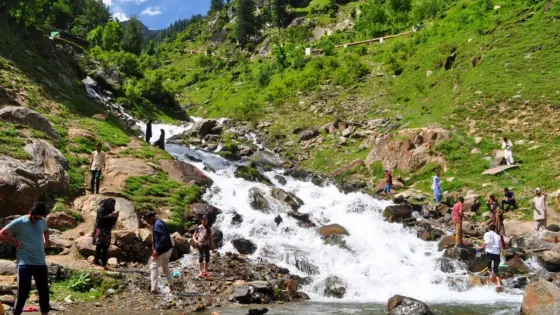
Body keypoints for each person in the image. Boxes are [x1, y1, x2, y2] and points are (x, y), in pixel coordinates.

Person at [0, 202, 50, 315]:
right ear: (30, 213)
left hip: (40, 262)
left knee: (44, 292)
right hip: (25, 262)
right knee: (23, 292)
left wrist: (46, 241)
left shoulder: (42, 221)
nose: (37, 220)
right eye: (35, 218)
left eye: (39, 218)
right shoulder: (20, 222)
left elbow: (46, 230)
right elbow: (1, 233)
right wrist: (15, 241)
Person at [143, 213, 174, 294]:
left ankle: (154, 289)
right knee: (165, 268)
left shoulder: (157, 224)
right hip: (168, 249)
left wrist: (157, 250)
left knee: (153, 266)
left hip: (163, 250)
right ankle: (171, 286)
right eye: (145, 220)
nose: (147, 221)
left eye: (147, 219)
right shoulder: (159, 222)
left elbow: (162, 237)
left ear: (152, 217)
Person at [477, 224, 504, 292]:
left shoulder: (487, 234)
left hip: (490, 252)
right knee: (496, 268)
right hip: (497, 253)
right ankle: (498, 284)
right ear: (495, 229)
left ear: (489, 229)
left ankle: (491, 275)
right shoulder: (498, 236)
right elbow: (500, 246)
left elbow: (487, 242)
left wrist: (480, 247)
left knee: (488, 265)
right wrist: (501, 251)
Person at [93, 198, 118, 268]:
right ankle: (96, 262)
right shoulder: (101, 210)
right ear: (107, 203)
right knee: (99, 246)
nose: (112, 205)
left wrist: (115, 217)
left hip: (107, 230)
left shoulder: (110, 211)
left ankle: (104, 263)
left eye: (113, 204)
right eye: (111, 203)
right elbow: (100, 219)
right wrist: (110, 216)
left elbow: (112, 223)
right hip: (100, 229)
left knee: (106, 247)